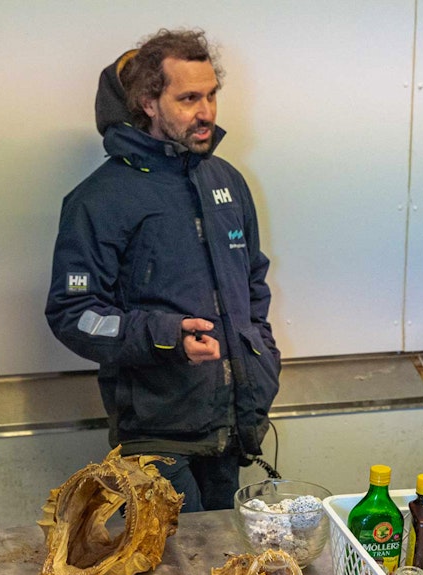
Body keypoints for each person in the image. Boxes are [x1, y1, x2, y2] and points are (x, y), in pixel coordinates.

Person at [45, 29, 280, 512]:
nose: (207, 111)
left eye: (212, 94)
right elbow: (75, 313)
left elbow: (252, 282)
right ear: (149, 102)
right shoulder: (100, 199)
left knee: (228, 572)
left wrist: (262, 354)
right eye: (189, 97)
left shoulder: (227, 182)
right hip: (155, 438)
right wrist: (165, 335)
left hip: (232, 429)